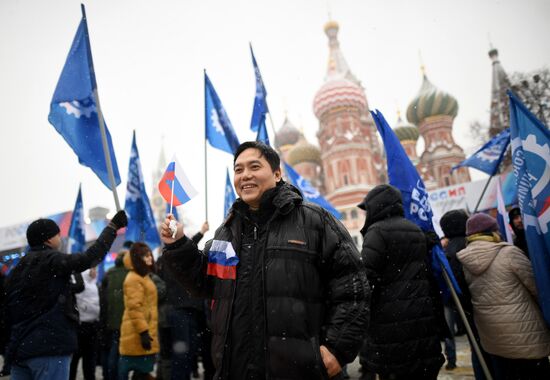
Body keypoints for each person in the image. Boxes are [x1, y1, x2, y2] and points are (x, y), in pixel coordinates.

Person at [160, 141, 370, 380]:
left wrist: (336, 348)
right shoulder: (225, 232)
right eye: (238, 170)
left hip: (301, 371)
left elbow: (354, 288)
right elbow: (204, 282)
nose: (245, 175)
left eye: (254, 167)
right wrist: (178, 245)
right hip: (236, 369)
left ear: (277, 174)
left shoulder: (315, 221)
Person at [4, 211, 127, 380]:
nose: (60, 239)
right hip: (49, 348)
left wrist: (8, 350)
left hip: (20, 351)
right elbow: (89, 258)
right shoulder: (51, 260)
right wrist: (112, 228)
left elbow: (5, 313)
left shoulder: (17, 270)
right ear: (48, 239)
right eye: (58, 235)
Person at [357, 184, 445, 380]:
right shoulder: (414, 230)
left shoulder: (377, 232)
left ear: (377, 206)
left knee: (398, 371)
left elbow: (366, 278)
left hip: (392, 325)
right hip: (422, 318)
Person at [457, 213, 550, 380]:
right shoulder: (509, 252)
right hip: (525, 335)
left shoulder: (465, 260)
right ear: (492, 232)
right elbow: (537, 289)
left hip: (494, 337)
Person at [440, 210, 494, 379]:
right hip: (484, 306)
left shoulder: (447, 252)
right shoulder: (471, 245)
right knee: (489, 352)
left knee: (477, 350)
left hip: (467, 310)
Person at [156, 222, 210, 380]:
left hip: (191, 310)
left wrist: (201, 232)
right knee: (182, 353)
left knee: (189, 352)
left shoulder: (179, 255)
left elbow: (188, 249)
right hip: (179, 310)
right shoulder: (167, 258)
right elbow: (187, 250)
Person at [118, 242, 159, 380]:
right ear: (137, 259)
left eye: (149, 255)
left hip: (143, 332)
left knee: (142, 373)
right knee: (141, 372)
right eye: (145, 256)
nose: (149, 258)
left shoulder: (143, 276)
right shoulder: (133, 278)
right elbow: (134, 307)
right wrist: (143, 332)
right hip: (137, 334)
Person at [99, 242, 132, 380]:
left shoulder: (109, 273)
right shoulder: (131, 274)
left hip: (109, 320)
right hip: (125, 321)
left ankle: (108, 376)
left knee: (110, 352)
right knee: (121, 354)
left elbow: (102, 298)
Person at [70, 268, 101, 380]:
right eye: (93, 269)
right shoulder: (81, 285)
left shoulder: (94, 285)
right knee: (76, 360)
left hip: (92, 327)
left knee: (89, 361)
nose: (95, 272)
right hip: (81, 327)